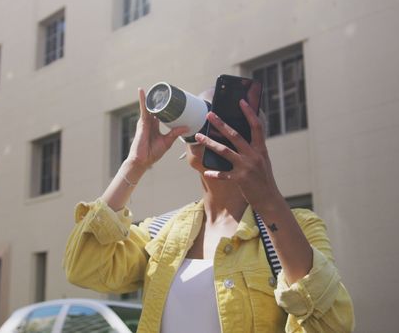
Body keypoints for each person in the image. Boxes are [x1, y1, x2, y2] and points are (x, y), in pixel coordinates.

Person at [64, 87, 355, 333]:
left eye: (221, 118)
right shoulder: (162, 233)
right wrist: (135, 165)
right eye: (204, 114)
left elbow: (330, 324)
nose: (209, 126)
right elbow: (84, 266)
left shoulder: (298, 229)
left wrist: (268, 197)